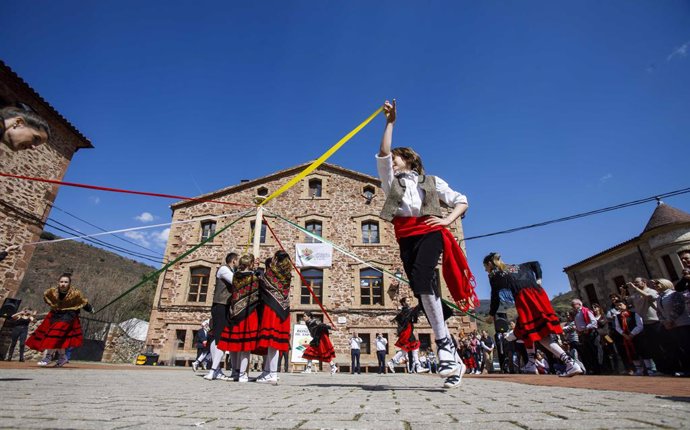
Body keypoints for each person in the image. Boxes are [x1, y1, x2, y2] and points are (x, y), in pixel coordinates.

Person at [376, 100, 475, 389]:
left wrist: (446, 222)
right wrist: (390, 123)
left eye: (397, 156)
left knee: (422, 276)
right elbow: (382, 152)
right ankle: (453, 358)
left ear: (410, 159)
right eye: (392, 157)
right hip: (405, 236)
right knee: (421, 288)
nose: (392, 158)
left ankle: (444, 344)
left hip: (430, 230)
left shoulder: (432, 181)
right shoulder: (389, 181)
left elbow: (462, 201)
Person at [484, 252, 582, 377]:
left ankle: (571, 363)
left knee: (540, 335)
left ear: (489, 264)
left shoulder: (495, 275)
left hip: (525, 299)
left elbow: (495, 297)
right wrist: (539, 280)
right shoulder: (517, 267)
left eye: (485, 267)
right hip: (539, 295)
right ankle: (531, 363)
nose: (485, 270)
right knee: (529, 332)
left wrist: (491, 315)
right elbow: (535, 264)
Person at [26, 273, 93, 366]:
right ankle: (63, 357)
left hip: (69, 315)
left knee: (55, 333)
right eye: (61, 282)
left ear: (69, 283)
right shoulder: (52, 291)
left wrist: (90, 309)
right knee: (60, 338)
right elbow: (47, 298)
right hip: (55, 314)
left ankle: (48, 356)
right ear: (58, 282)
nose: (63, 284)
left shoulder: (76, 293)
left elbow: (83, 302)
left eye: (66, 282)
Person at [217, 254, 261, 382]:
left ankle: (235, 372)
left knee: (234, 345)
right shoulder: (254, 278)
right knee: (245, 346)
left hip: (235, 312)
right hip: (249, 313)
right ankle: (243, 374)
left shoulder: (235, 277)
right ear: (251, 264)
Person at [254, 250, 294, 384]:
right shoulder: (287, 273)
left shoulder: (272, 272)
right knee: (273, 344)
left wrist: (258, 270)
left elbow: (264, 282)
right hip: (283, 310)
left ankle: (272, 373)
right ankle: (266, 372)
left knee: (272, 343)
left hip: (272, 309)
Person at [205, 252, 238, 381]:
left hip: (225, 306)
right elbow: (235, 281)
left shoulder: (229, 270)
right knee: (219, 337)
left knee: (218, 336)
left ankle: (216, 368)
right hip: (220, 305)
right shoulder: (224, 269)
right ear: (234, 261)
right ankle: (216, 369)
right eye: (237, 260)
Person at [652, 278, 690, 376]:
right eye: (655, 284)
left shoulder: (674, 294)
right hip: (670, 326)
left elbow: (678, 307)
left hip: (682, 324)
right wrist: (664, 322)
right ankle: (684, 368)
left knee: (686, 347)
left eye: (658, 283)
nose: (656, 285)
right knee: (677, 348)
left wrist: (670, 320)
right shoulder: (659, 297)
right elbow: (659, 312)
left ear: (665, 284)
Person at [387, 297, 429, 374]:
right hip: (407, 332)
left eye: (409, 300)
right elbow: (414, 311)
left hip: (407, 332)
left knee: (408, 349)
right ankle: (417, 366)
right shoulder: (406, 311)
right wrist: (423, 301)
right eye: (407, 301)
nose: (409, 302)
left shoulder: (405, 311)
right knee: (413, 347)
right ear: (403, 303)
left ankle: (392, 361)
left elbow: (413, 315)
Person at [627, 278, 660, 376]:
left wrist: (635, 288)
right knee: (652, 347)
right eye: (634, 282)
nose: (635, 284)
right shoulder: (636, 295)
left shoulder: (651, 291)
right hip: (645, 323)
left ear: (644, 282)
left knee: (660, 345)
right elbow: (625, 301)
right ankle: (659, 368)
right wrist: (624, 291)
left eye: (637, 282)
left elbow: (650, 297)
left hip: (655, 320)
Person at [613, 300, 646, 375]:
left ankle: (650, 368)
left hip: (636, 336)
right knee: (632, 352)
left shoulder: (634, 314)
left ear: (625, 305)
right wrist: (624, 334)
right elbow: (617, 327)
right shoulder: (618, 317)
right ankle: (638, 369)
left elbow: (640, 325)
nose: (619, 307)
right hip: (626, 337)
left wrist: (632, 334)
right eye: (617, 306)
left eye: (620, 305)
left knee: (642, 351)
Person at [570, 299, 600, 374]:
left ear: (579, 304)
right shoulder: (576, 314)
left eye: (573, 304)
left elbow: (594, 322)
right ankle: (593, 368)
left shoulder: (586, 310)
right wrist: (578, 330)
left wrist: (587, 328)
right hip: (583, 335)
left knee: (594, 351)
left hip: (590, 333)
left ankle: (599, 368)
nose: (572, 306)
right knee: (587, 352)